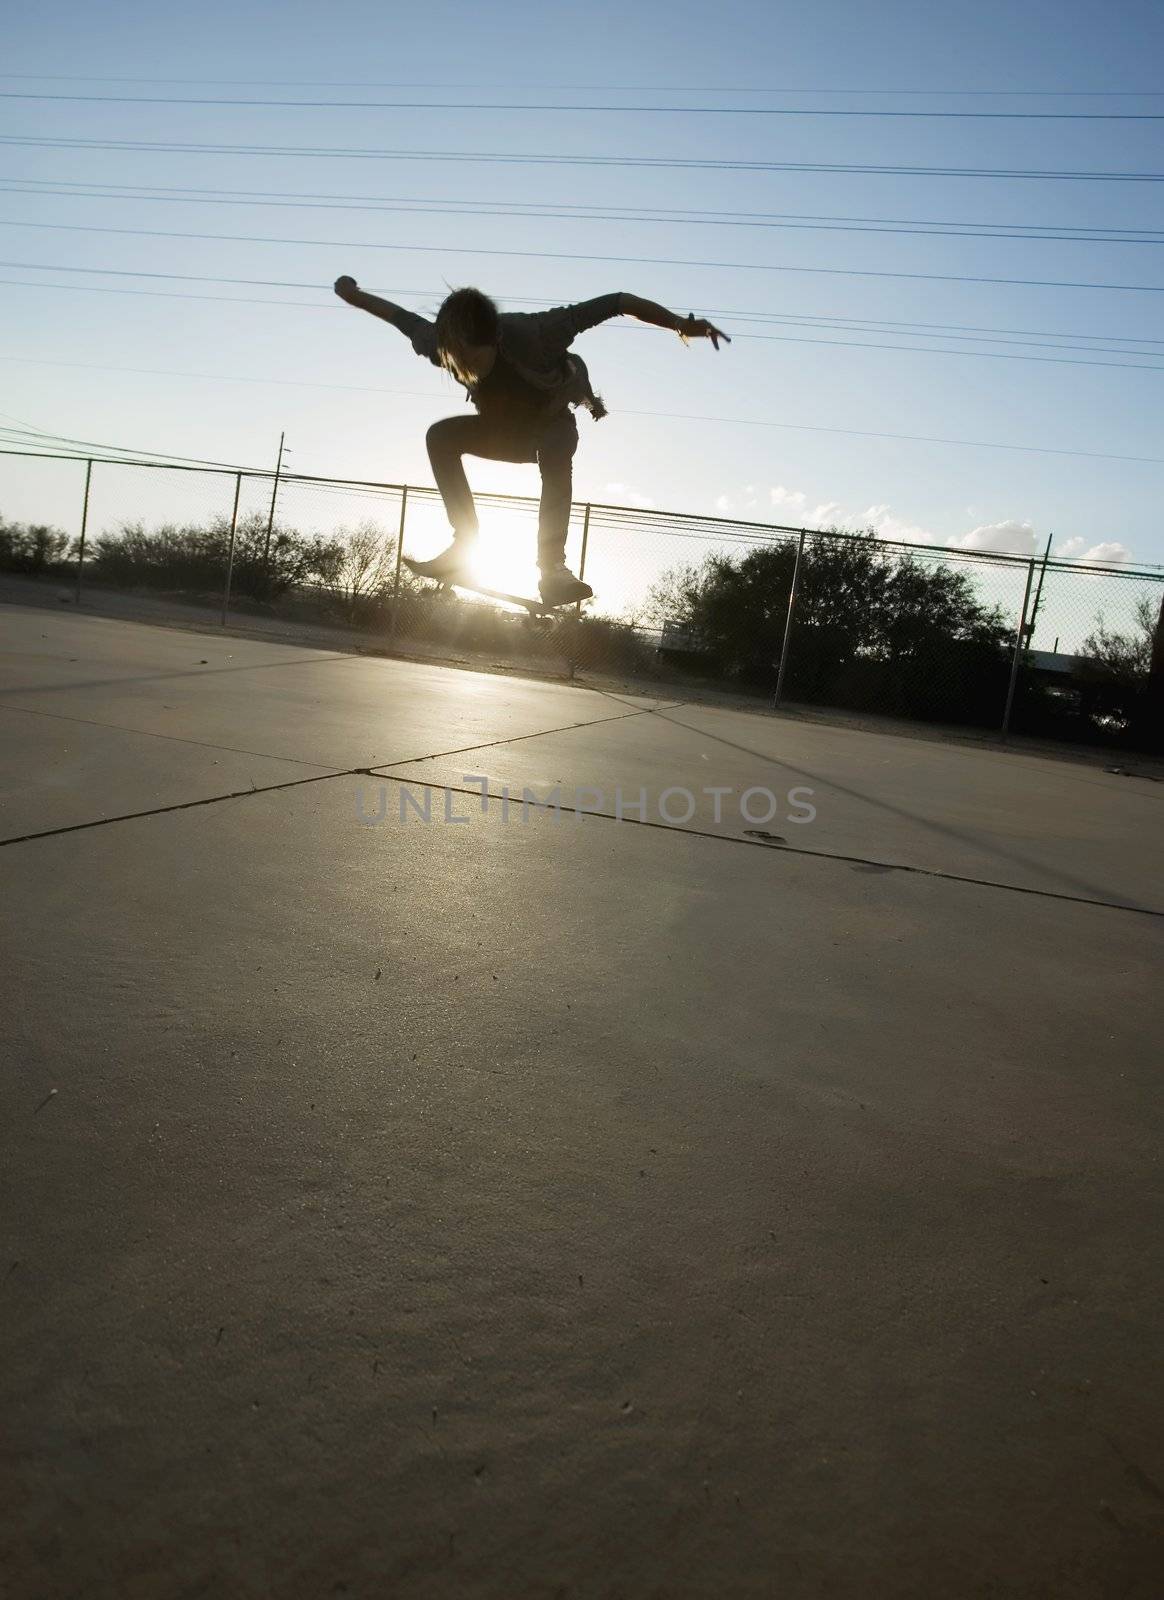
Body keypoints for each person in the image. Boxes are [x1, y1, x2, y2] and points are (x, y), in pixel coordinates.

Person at [333, 278, 729, 605]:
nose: (464, 369)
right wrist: (354, 296)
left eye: (471, 359)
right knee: (441, 436)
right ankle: (463, 544)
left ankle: (552, 570)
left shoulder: (539, 332)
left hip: (550, 426)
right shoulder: (440, 344)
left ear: (493, 339)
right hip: (503, 434)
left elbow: (617, 301)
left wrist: (678, 323)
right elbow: (399, 317)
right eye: (456, 364)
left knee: (556, 450)